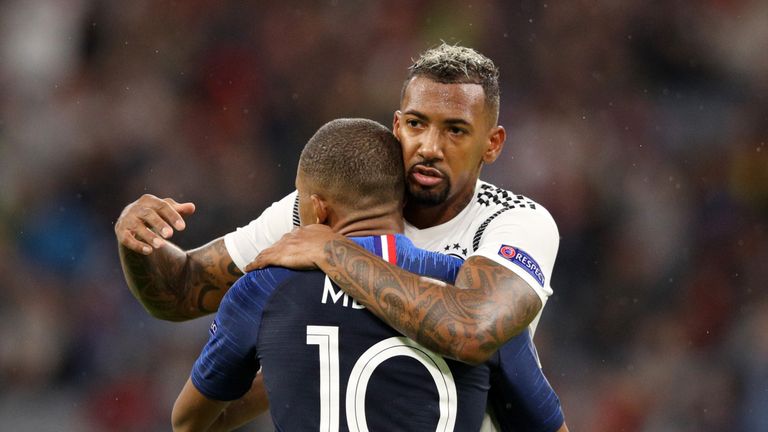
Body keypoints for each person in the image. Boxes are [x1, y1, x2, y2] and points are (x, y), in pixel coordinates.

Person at [117, 43, 567, 431]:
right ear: (396, 126)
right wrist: (139, 241)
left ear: (492, 143)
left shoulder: (514, 223)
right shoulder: (331, 202)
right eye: (416, 124)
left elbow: (473, 330)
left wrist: (334, 251)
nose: (429, 146)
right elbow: (179, 291)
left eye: (454, 130)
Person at [172, 118, 491, 431]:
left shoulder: (264, 286)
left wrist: (289, 363)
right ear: (403, 200)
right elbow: (534, 411)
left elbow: (189, 422)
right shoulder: (465, 283)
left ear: (319, 209)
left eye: (300, 203)